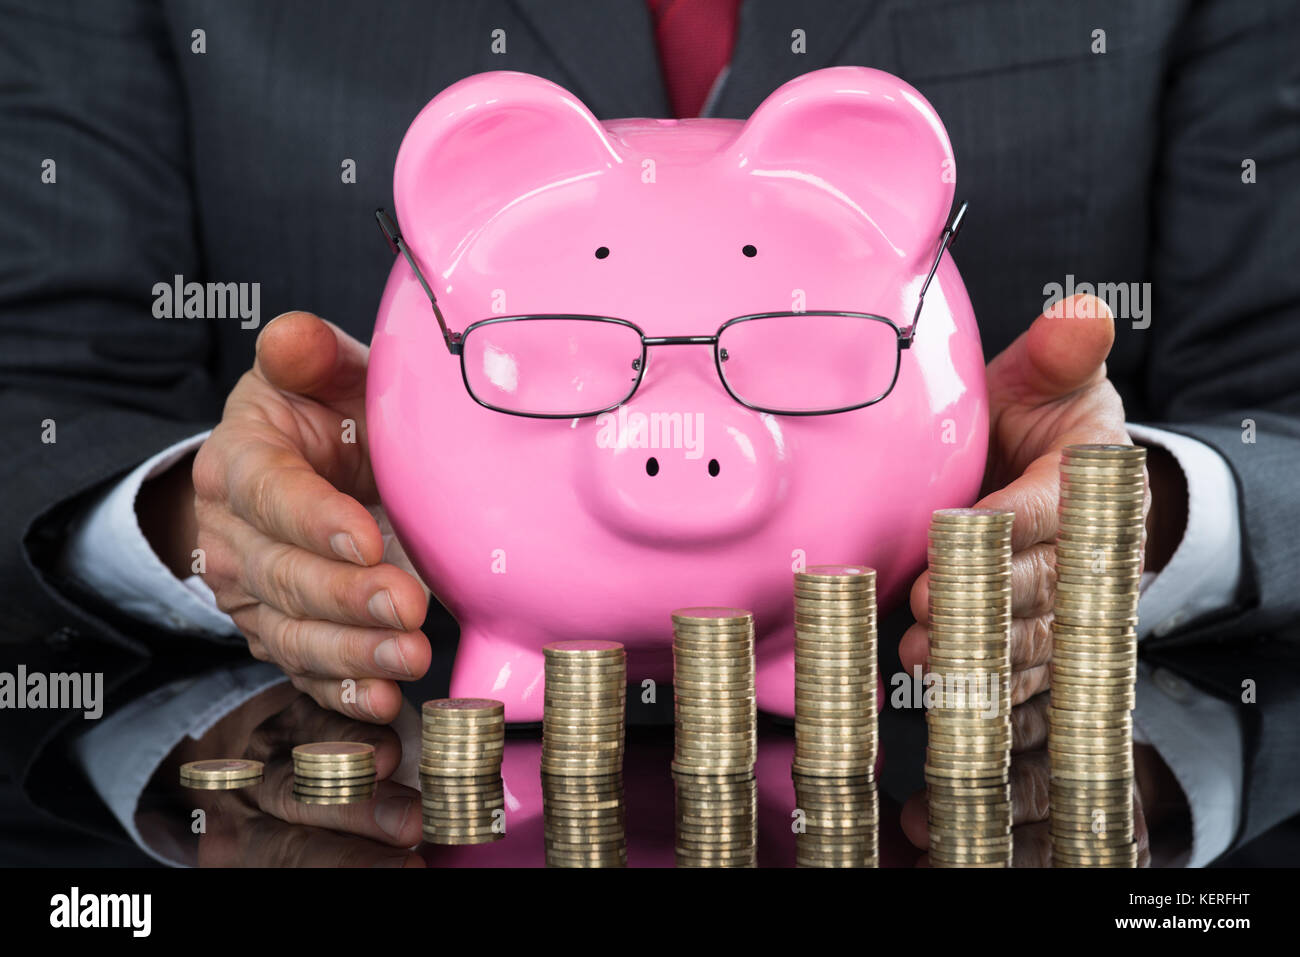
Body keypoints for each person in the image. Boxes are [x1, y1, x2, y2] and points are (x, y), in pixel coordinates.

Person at [1, 0, 1297, 867]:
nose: (681, 426)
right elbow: (36, 385)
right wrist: (190, 513)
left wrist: (1157, 510)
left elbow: (1278, 389)